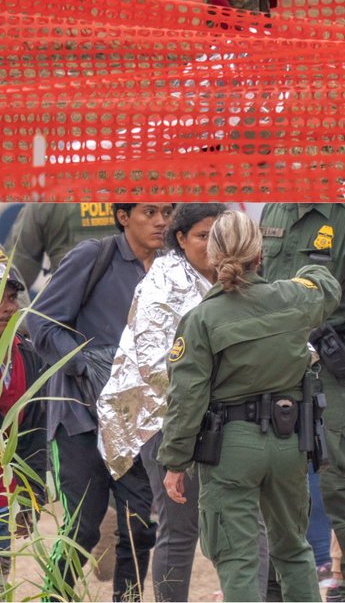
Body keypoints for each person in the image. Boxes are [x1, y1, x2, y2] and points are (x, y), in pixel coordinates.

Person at [160, 210, 341, 603]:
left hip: (230, 447)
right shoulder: (294, 298)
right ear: (260, 256)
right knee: (294, 550)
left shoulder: (201, 319)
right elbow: (325, 283)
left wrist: (175, 461)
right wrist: (293, 271)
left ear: (211, 256)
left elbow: (186, 398)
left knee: (239, 559)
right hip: (288, 439)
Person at [27, 203, 172, 602]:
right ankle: (53, 597)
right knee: (84, 527)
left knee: (140, 525)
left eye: (169, 211)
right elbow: (39, 322)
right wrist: (83, 362)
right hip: (80, 417)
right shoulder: (94, 256)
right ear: (123, 216)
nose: (162, 221)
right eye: (150, 212)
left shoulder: (170, 270)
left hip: (139, 422)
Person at [259, 203, 345, 602]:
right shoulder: (275, 211)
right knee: (276, 478)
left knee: (341, 477)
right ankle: (275, 586)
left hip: (329, 361)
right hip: (274, 362)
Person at [97, 203, 229, 603]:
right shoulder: (162, 283)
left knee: (240, 524)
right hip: (164, 419)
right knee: (180, 527)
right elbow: (159, 368)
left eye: (220, 235)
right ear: (181, 239)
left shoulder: (237, 276)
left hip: (228, 419)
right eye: (203, 236)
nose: (213, 244)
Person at [0, 257, 46, 587]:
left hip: (5, 494)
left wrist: (32, 497)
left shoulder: (28, 355)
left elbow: (34, 433)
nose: (7, 307)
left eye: (12, 297)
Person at [9, 202, 118, 291]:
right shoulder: (131, 195)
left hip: (67, 308)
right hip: (126, 306)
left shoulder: (46, 201)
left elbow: (14, 277)